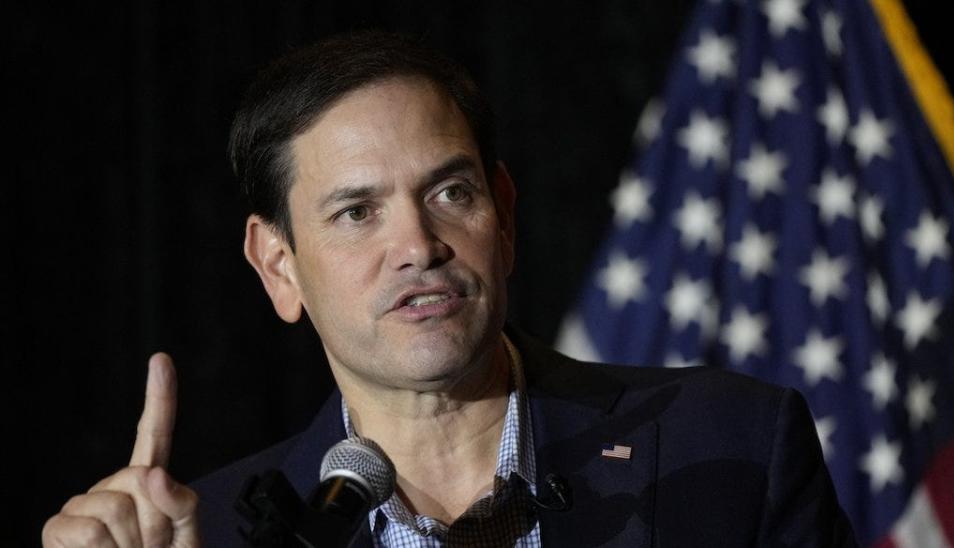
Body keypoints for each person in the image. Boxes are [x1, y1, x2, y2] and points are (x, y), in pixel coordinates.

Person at [42, 31, 857, 547]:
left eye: (449, 194)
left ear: (503, 217)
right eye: (357, 212)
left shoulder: (736, 444)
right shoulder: (218, 533)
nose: (418, 246)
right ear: (278, 267)